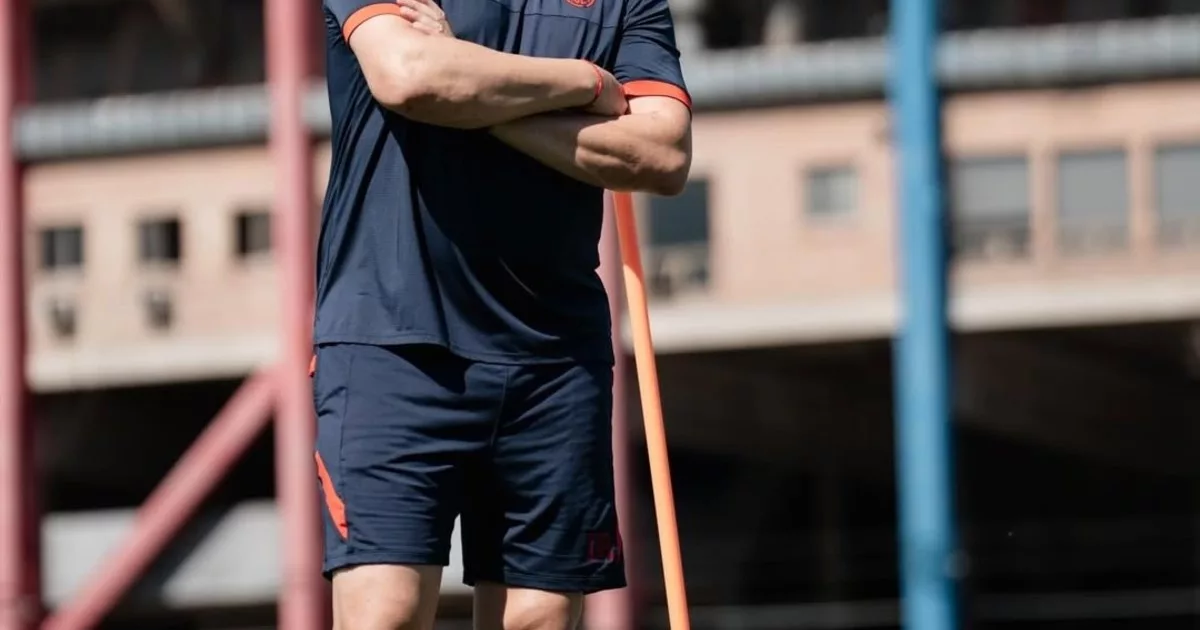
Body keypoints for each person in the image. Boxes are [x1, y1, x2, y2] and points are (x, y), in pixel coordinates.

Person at [311, 0, 693, 627]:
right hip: (394, 343)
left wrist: (473, 93)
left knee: (538, 619)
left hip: (555, 358)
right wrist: (585, 83)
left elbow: (662, 154)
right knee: (388, 612)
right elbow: (410, 76)